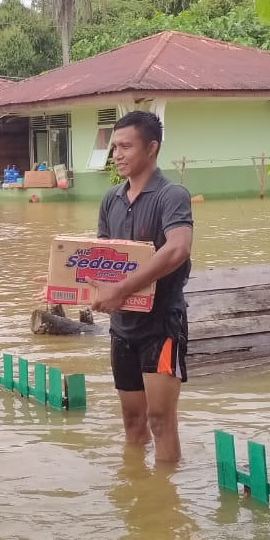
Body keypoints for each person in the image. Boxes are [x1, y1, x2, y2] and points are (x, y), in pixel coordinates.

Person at [89, 111, 193, 464]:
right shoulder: (111, 199)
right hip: (123, 327)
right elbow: (100, 258)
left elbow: (178, 248)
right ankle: (138, 498)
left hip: (161, 326)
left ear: (152, 148)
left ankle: (165, 503)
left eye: (125, 146)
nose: (116, 154)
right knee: (133, 421)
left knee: (161, 421)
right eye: (114, 146)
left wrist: (120, 289)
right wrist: (66, 282)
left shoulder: (171, 194)